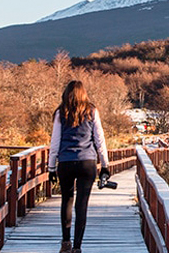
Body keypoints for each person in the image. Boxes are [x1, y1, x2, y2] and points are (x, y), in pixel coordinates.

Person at [48, 80, 110, 253]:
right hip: (87, 162)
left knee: (66, 201)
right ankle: (77, 247)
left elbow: (55, 143)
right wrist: (104, 164)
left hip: (66, 162)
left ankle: (65, 243)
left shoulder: (61, 113)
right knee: (82, 204)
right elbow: (99, 140)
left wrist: (51, 167)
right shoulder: (92, 111)